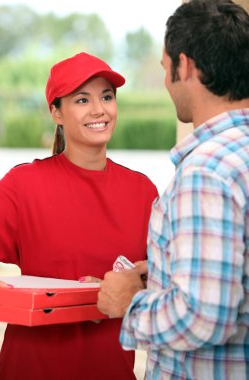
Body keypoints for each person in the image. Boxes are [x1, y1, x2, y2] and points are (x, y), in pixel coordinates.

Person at [97, 0, 249, 378]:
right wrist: (168, 271)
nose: (167, 83)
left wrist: (131, 302)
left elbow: (203, 317)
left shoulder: (205, 172)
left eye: (166, 69)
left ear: (186, 66)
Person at [0, 52, 158, 380]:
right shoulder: (22, 185)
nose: (99, 110)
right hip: (32, 368)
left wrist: (131, 289)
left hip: (110, 368)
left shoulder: (143, 192)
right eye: (82, 99)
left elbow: (169, 284)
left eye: (107, 97)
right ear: (56, 112)